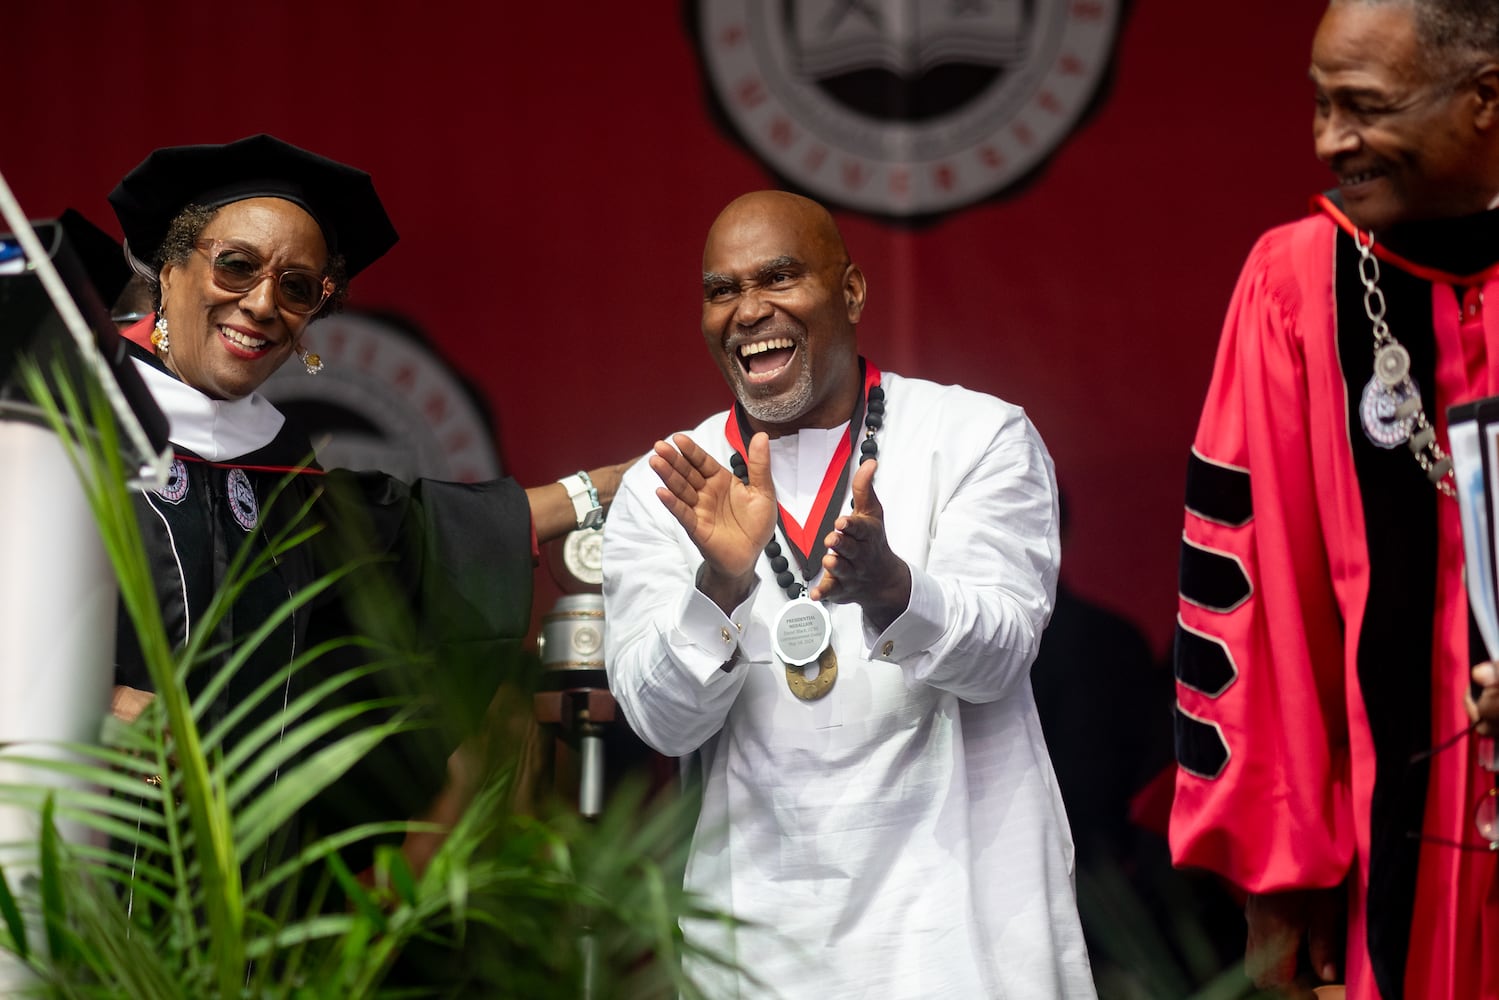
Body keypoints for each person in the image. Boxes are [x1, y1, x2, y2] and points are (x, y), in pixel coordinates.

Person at [602, 190, 1095, 998]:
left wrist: (892, 591)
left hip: (962, 935)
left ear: (853, 291)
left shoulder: (973, 436)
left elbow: (999, 657)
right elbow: (663, 724)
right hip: (757, 947)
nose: (748, 311)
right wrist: (720, 585)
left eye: (780, 277)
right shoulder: (671, 486)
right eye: (721, 291)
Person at [103, 133, 628, 874]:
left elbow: (413, 537)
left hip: (246, 900)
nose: (260, 304)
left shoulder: (284, 474)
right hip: (73, 873)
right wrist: (87, 712)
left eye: (297, 287)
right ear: (170, 268)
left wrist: (601, 487)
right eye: (236, 266)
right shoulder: (64, 429)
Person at [1169, 2, 1499, 998]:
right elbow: (1245, 588)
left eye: (1363, 107)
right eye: (1318, 107)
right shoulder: (1293, 281)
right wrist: (1277, 868)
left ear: (1483, 100)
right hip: (1390, 837)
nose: (1327, 141)